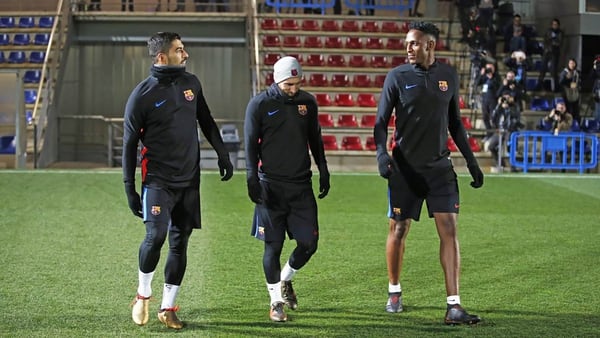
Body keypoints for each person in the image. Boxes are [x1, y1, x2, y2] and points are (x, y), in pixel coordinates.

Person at [373, 21, 484, 325]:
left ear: (430, 45)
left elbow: (456, 124)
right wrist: (382, 154)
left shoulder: (448, 75)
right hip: (404, 169)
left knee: (449, 229)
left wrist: (472, 162)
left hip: (439, 168)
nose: (408, 48)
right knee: (398, 229)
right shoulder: (396, 77)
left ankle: (454, 305)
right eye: (407, 43)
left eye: (414, 43)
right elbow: (381, 122)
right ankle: (394, 291)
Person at [122, 32, 234, 329]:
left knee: (179, 243)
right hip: (157, 181)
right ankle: (142, 295)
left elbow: (206, 119)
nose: (185, 55)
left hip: (189, 180)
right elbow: (129, 145)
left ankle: (168, 307)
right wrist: (129, 188)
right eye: (179, 50)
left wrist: (222, 153)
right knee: (155, 236)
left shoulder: (191, 84)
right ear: (161, 57)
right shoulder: (142, 95)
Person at [244, 56, 330, 323]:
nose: (294, 89)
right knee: (273, 246)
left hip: (301, 185)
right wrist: (251, 178)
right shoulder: (259, 104)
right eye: (288, 85)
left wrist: (324, 170)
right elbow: (249, 144)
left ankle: (286, 279)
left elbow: (314, 138)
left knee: (309, 243)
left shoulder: (308, 103)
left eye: (297, 83)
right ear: (276, 80)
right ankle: (275, 303)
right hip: (270, 186)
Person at [488, 91, 522, 169]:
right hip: (500, 131)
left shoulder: (515, 106)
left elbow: (516, 117)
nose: (506, 100)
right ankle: (501, 163)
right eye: (504, 98)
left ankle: (513, 166)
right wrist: (498, 105)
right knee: (491, 146)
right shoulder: (500, 107)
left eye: (508, 98)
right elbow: (493, 118)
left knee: (510, 146)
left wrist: (508, 108)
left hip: (510, 130)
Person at [476, 61, 502, 139]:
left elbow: (498, 87)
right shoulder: (484, 77)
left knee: (493, 117)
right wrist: (481, 74)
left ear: (494, 69)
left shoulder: (497, 77)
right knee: (485, 117)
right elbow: (477, 83)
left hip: (493, 99)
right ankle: (489, 132)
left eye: (490, 68)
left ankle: (496, 134)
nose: (489, 70)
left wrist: (491, 78)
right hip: (484, 99)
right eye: (488, 68)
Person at [537, 18, 563, 92]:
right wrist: (551, 41)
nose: (554, 26)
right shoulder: (548, 31)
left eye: (556, 24)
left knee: (553, 71)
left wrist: (551, 41)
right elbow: (545, 41)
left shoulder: (560, 33)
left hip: (555, 53)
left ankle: (555, 87)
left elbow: (559, 43)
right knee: (543, 69)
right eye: (553, 24)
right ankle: (539, 85)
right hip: (547, 52)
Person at [559, 58, 582, 124]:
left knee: (576, 111)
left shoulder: (577, 72)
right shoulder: (564, 72)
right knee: (568, 111)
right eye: (570, 63)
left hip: (575, 94)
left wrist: (577, 85)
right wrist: (567, 79)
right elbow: (561, 82)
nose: (572, 65)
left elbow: (580, 82)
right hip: (567, 94)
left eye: (573, 63)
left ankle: (576, 125)